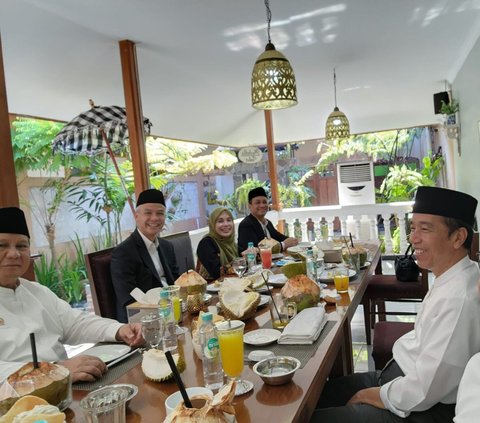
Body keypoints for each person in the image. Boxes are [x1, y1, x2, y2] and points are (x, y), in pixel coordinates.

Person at [312, 186, 480, 423]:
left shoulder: (460, 298)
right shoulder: (453, 274)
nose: (413, 238)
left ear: (458, 237)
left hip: (422, 408)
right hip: (399, 379)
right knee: (317, 396)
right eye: (413, 228)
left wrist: (370, 394)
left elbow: (426, 388)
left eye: (425, 229)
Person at [0, 207, 144, 383]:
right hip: (15, 404)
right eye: (2, 245)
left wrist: (119, 330)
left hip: (66, 391)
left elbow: (76, 323)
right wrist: (53, 371)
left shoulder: (37, 292)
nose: (14, 254)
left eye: (21, 246)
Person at [111, 189, 180, 323]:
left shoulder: (167, 247)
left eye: (160, 213)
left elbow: (176, 283)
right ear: (136, 216)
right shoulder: (123, 253)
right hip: (144, 321)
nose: (154, 218)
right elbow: (128, 299)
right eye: (148, 213)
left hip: (173, 313)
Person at [237, 187, 298, 254]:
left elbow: (279, 237)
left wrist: (292, 241)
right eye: (257, 202)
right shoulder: (246, 224)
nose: (262, 205)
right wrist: (283, 245)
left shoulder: (267, 223)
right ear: (249, 206)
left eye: (264, 202)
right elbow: (257, 250)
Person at [196, 207, 239, 280]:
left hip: (232, 285)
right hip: (211, 288)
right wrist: (242, 262)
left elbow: (244, 255)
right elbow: (217, 273)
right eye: (220, 221)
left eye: (229, 220)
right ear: (213, 224)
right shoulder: (206, 243)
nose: (226, 224)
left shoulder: (230, 243)